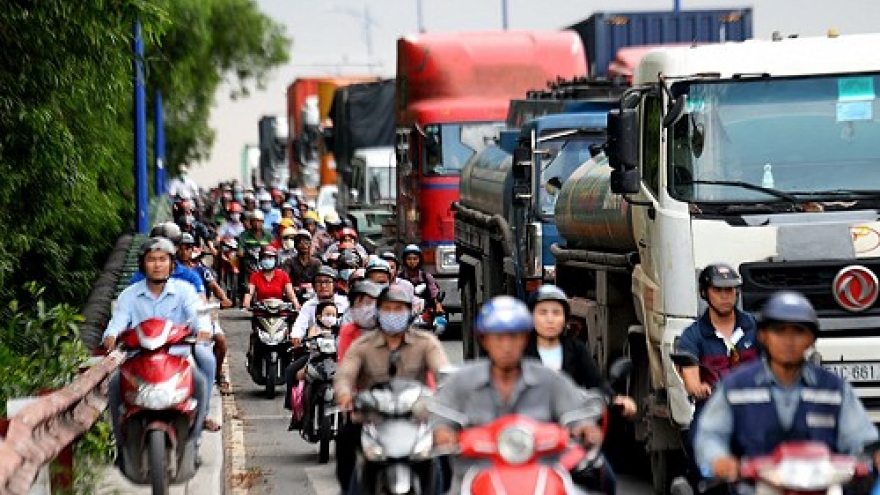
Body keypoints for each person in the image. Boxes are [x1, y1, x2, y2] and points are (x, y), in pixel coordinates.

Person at [694, 290, 880, 484]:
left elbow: (861, 438)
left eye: (798, 331)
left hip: (823, 487)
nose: (789, 340)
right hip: (752, 488)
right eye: (779, 330)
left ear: (811, 339)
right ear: (763, 336)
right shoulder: (735, 387)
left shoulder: (834, 389)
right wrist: (719, 460)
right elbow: (710, 436)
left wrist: (874, 455)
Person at [432, 296, 606, 495]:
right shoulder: (461, 381)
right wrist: (442, 432)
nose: (506, 346)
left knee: (601, 473)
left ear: (525, 338)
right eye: (498, 337)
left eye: (514, 337)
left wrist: (585, 427)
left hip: (546, 474)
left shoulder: (551, 380)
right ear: (484, 340)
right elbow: (440, 418)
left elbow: (577, 415)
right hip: (474, 476)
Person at [102, 237, 211, 464]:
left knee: (200, 383)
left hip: (177, 358)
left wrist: (202, 330)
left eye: (162, 259)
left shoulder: (185, 290)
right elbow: (119, 320)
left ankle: (195, 440)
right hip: (138, 359)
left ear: (172, 264)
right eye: (151, 259)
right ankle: (120, 445)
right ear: (143, 264)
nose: (157, 264)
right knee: (115, 386)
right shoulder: (129, 294)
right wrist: (111, 336)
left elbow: (197, 314)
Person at [335, 287, 450, 494]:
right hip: (372, 418)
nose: (392, 314)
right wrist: (344, 395)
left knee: (444, 444)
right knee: (344, 438)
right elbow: (345, 375)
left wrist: (447, 394)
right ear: (378, 312)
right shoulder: (362, 346)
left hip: (417, 417)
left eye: (398, 309)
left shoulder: (426, 342)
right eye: (387, 309)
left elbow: (443, 372)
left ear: (409, 312)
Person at [524, 285, 635, 494]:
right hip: (526, 435)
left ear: (565, 318)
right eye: (543, 312)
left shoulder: (576, 349)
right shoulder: (520, 351)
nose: (550, 319)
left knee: (606, 477)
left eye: (556, 313)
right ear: (531, 317)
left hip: (570, 433)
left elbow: (596, 383)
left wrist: (616, 399)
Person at [178, 233, 234, 396]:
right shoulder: (171, 272)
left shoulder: (200, 270)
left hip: (201, 315)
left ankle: (218, 373)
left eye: (187, 248)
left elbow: (214, 286)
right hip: (179, 318)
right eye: (181, 248)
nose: (184, 252)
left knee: (220, 340)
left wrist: (224, 299)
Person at [290, 266, 350, 344]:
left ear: (334, 284)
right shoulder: (308, 305)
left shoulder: (345, 303)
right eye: (319, 282)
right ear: (314, 286)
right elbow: (300, 324)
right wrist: (296, 336)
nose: (323, 286)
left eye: (327, 282)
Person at [399, 244, 443, 315]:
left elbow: (434, 294)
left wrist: (438, 306)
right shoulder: (399, 277)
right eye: (409, 259)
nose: (412, 262)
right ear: (404, 260)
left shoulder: (427, 277)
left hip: (425, 313)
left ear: (420, 260)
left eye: (415, 259)